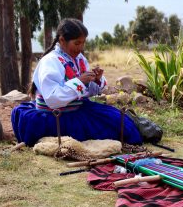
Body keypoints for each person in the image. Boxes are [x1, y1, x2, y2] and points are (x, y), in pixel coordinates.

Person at [11, 18, 142, 146]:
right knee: (103, 131)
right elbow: (53, 99)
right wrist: (79, 81)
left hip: (78, 108)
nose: (81, 47)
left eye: (83, 43)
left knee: (122, 122)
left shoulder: (79, 59)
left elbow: (84, 92)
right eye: (77, 43)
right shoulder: (50, 61)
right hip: (55, 116)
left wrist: (95, 81)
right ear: (62, 40)